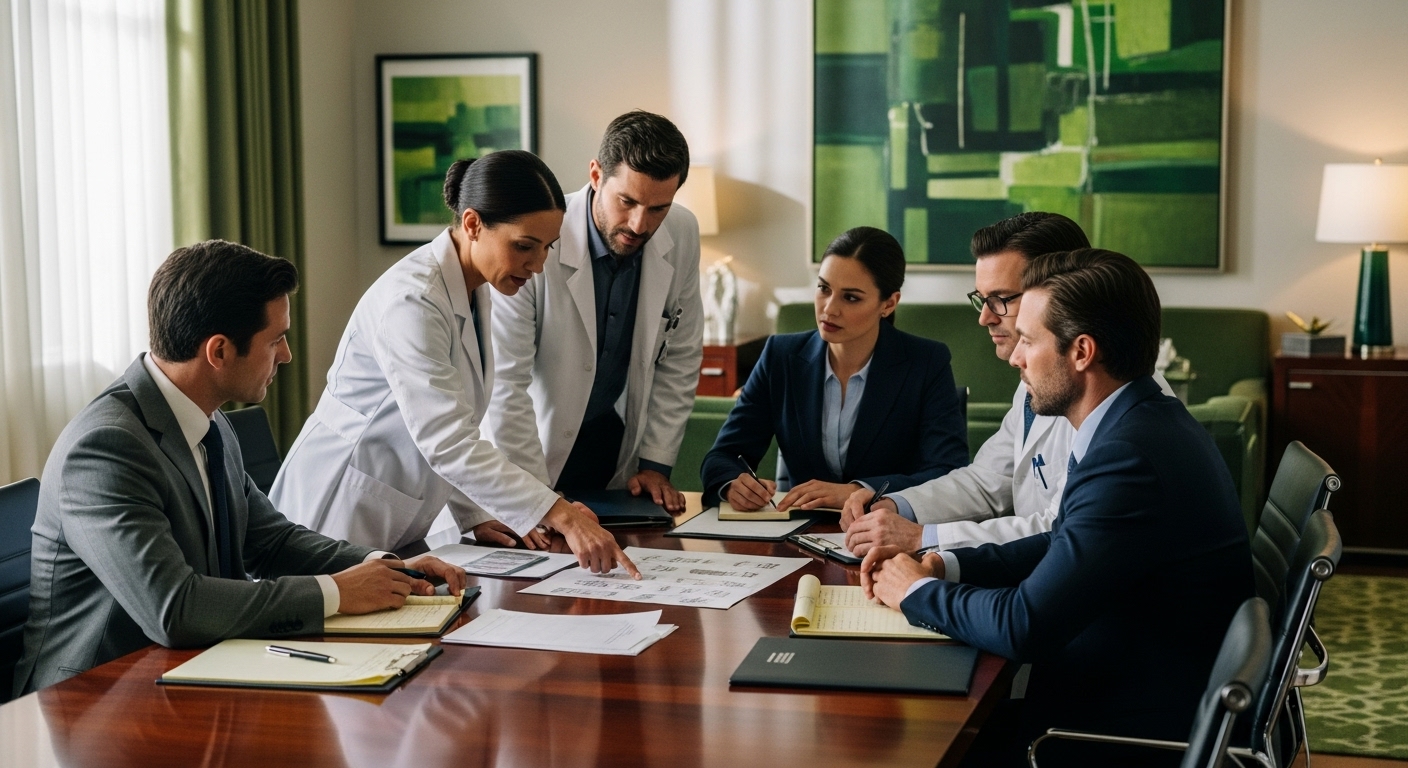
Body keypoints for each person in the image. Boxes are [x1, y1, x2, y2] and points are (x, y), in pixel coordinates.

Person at [14, 241, 467, 695]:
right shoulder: (105, 448)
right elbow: (174, 609)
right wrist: (336, 592)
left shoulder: (209, 423)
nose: (287, 355)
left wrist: (384, 569)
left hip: (191, 667)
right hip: (95, 699)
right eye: (275, 340)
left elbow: (271, 541)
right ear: (219, 351)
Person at [861, 248, 1253, 767]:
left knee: (906, 744)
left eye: (1027, 340)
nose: (1016, 357)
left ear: (1082, 352)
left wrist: (915, 590)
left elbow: (1025, 626)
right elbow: (1064, 540)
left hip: (1117, 734)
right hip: (1128, 689)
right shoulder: (1138, 423)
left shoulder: (1129, 455)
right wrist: (948, 564)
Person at [270, 151, 638, 577]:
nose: (537, 266)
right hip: (340, 507)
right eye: (523, 246)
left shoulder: (475, 289)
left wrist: (477, 514)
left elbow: (456, 425)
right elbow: (446, 441)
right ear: (472, 224)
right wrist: (561, 514)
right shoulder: (413, 299)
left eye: (546, 249)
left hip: (398, 512)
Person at [840, 212, 1171, 555]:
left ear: (1059, 290)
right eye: (981, 299)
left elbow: (1060, 528)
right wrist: (896, 506)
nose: (984, 317)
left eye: (1001, 299)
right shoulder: (1037, 377)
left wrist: (922, 539)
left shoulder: (1116, 404)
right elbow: (987, 482)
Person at [488, 111, 702, 511]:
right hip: (528, 445)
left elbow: (681, 357)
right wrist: (536, 501)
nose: (640, 224)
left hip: (608, 445)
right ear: (596, 175)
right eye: (628, 201)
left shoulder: (683, 232)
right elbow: (505, 385)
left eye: (658, 208)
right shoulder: (537, 242)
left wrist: (655, 463)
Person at [699, 227, 969, 511]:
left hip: (888, 533)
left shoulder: (926, 362)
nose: (829, 309)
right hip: (799, 535)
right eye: (824, 289)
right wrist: (733, 484)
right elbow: (724, 456)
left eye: (850, 297)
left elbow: (948, 473)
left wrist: (858, 491)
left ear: (888, 304)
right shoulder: (780, 356)